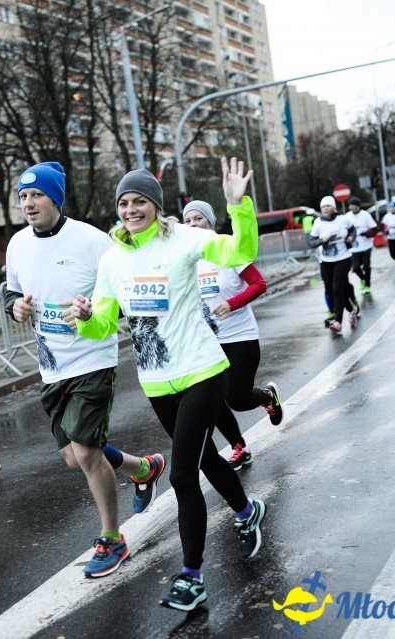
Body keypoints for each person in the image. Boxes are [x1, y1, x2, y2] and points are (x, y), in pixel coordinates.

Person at [64, 158, 265, 612]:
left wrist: (239, 207)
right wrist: (83, 318)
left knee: (181, 472)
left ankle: (191, 577)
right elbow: (103, 325)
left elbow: (239, 253)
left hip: (203, 370)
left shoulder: (187, 240)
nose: (131, 209)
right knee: (207, 457)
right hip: (157, 382)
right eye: (124, 203)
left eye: (140, 201)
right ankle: (247, 511)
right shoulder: (113, 260)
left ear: (155, 206)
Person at [4, 162, 165, 579]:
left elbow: (121, 287)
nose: (28, 203)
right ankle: (142, 468)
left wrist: (96, 308)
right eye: (23, 196)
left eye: (36, 195)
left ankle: (112, 538)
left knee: (89, 452)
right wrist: (16, 307)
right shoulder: (17, 244)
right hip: (50, 363)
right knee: (73, 457)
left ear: (55, 198)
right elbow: (11, 290)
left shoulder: (94, 241)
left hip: (93, 357)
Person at [182, 199, 284, 468]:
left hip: (241, 337)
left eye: (198, 219)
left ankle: (267, 397)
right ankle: (239, 446)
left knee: (237, 399)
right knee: (211, 400)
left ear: (210, 222)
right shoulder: (188, 259)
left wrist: (231, 303)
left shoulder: (226, 248)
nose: (193, 224)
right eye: (188, 220)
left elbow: (259, 284)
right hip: (207, 341)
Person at [309, 195, 357, 333]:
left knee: (337, 289)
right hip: (326, 261)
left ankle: (338, 322)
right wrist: (322, 241)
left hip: (343, 259)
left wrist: (351, 238)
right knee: (330, 290)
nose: (325, 208)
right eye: (323, 206)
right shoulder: (318, 223)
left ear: (333, 207)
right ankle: (350, 309)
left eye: (328, 205)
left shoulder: (343, 220)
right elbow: (311, 243)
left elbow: (353, 230)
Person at [344, 196, 378, 294]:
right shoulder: (347, 216)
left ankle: (368, 285)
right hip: (354, 248)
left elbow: (374, 229)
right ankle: (363, 279)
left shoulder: (365, 215)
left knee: (366, 267)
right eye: (350, 205)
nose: (352, 207)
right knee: (355, 268)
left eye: (354, 205)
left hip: (366, 246)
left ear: (358, 206)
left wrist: (367, 233)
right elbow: (344, 230)